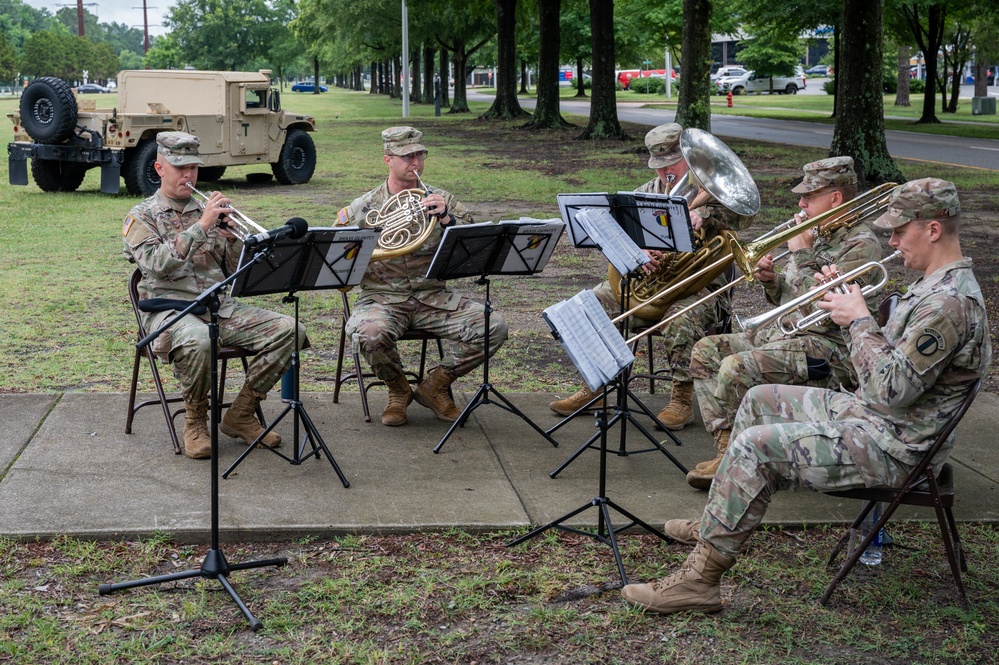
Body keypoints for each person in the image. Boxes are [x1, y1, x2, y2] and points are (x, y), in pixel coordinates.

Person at [621, 177, 991, 615]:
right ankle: (716, 521)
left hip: (897, 446)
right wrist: (843, 305)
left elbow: (890, 391)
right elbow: (881, 376)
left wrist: (858, 322)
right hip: (876, 417)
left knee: (755, 448)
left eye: (899, 230)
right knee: (759, 397)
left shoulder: (948, 304)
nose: (890, 239)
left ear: (933, 229)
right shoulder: (933, 287)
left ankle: (700, 581)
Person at [684, 156, 882, 490]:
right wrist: (771, 280)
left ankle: (743, 457)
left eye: (809, 196)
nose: (801, 203)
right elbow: (789, 300)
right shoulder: (817, 233)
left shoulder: (861, 245)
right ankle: (729, 448)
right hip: (791, 336)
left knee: (735, 367)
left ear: (836, 198)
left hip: (830, 349)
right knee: (705, 351)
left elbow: (827, 306)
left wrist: (801, 255)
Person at [549, 123, 754, 423]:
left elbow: (745, 216)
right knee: (590, 304)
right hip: (651, 286)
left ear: (689, 158)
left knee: (680, 317)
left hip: (702, 292)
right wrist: (636, 252)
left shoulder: (717, 192)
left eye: (672, 164)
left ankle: (681, 400)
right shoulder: (644, 193)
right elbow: (618, 236)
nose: (665, 173)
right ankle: (596, 386)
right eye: (659, 166)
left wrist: (706, 213)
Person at [123, 132, 306, 460]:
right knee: (200, 340)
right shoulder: (141, 216)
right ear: (159, 168)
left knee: (291, 330)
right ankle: (195, 421)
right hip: (170, 310)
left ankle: (242, 412)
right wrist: (201, 226)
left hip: (218, 306)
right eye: (180, 168)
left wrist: (234, 239)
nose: (188, 175)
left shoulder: (207, 210)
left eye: (193, 167)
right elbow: (156, 264)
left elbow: (240, 271)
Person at [338, 126, 508, 427]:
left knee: (493, 326)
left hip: (433, 296)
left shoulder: (440, 198)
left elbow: (477, 241)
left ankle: (435, 386)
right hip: (382, 297)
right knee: (369, 334)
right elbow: (337, 266)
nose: (415, 163)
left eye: (419, 155)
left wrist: (446, 219)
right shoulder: (362, 208)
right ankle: (398, 390)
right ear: (388, 160)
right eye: (407, 157)